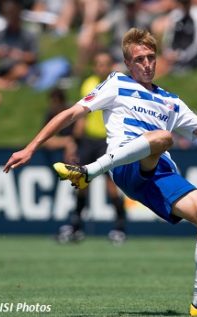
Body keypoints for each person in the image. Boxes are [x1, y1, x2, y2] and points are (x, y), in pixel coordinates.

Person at [3, 27, 197, 317]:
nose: (147, 64)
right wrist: (31, 148)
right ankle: (89, 171)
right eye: (139, 59)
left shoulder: (171, 101)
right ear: (128, 64)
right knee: (163, 137)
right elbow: (70, 114)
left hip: (159, 172)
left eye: (151, 57)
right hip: (123, 165)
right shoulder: (115, 84)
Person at [55, 52, 128, 245]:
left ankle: (119, 228)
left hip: (107, 141)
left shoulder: (119, 85)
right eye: (98, 64)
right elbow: (82, 117)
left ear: (111, 65)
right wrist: (73, 142)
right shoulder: (88, 84)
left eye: (105, 64)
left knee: (111, 187)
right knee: (81, 184)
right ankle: (76, 226)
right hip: (88, 141)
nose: (101, 68)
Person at [155, 0, 197, 77]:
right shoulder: (176, 14)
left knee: (169, 68)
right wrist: (168, 52)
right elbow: (168, 36)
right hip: (174, 52)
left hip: (193, 55)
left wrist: (182, 55)